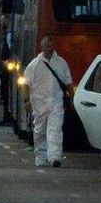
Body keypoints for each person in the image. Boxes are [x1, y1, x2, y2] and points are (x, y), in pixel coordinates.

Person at [23, 35, 73, 167]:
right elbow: (26, 84)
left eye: (50, 45)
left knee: (55, 129)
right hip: (39, 102)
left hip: (56, 101)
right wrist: (26, 100)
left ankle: (55, 156)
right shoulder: (34, 64)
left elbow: (68, 82)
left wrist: (72, 98)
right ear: (42, 46)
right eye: (46, 45)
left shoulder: (61, 63)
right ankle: (40, 156)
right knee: (39, 130)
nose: (48, 47)